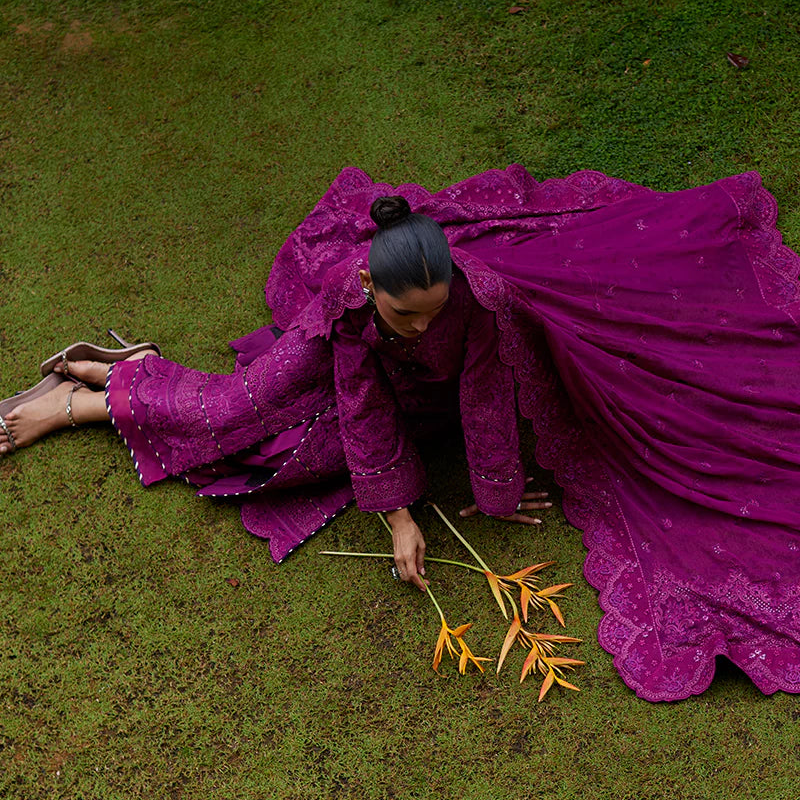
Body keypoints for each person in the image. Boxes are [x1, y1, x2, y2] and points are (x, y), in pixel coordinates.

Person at [2, 165, 800, 703]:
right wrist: (398, 514)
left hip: (425, 396)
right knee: (239, 411)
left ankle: (121, 372)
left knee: (299, 462)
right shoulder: (351, 306)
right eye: (404, 312)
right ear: (372, 289)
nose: (422, 322)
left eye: (432, 307)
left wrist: (494, 492)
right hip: (327, 358)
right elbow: (362, 408)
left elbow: (487, 397)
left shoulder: (476, 304)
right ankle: (90, 397)